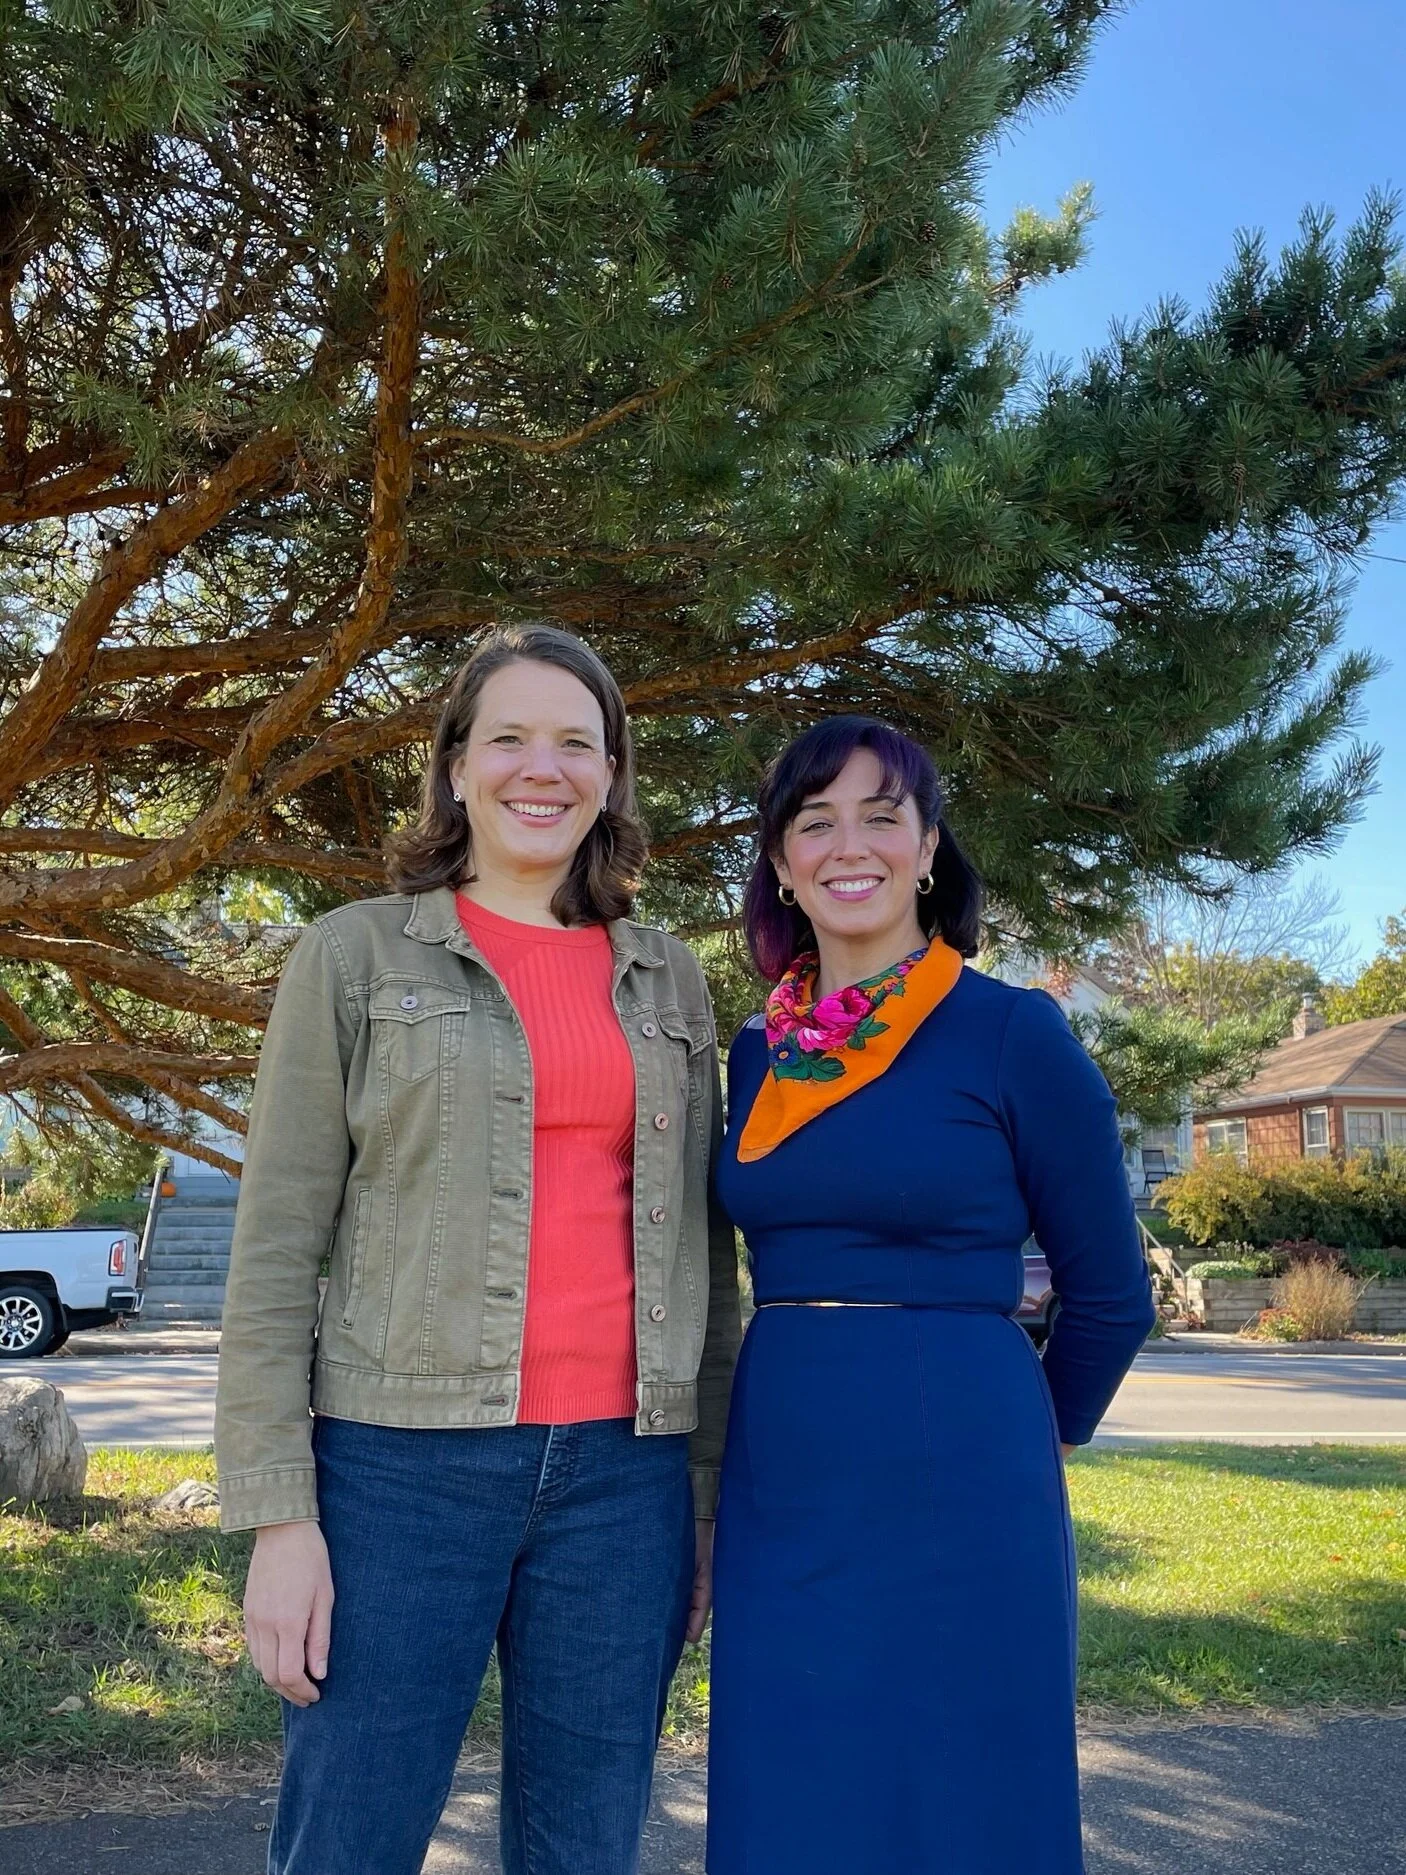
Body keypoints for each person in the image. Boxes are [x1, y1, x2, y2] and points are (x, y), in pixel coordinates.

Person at [214, 623, 741, 1875]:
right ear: (454, 766)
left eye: (575, 741)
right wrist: (279, 1520)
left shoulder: (668, 979)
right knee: (349, 1836)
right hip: (398, 1476)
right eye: (506, 736)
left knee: (585, 1845)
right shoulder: (354, 954)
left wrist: (707, 1499)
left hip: (626, 1482)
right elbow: (277, 1245)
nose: (539, 767)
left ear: (611, 775)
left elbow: (703, 1268)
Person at [706, 716, 1155, 1875]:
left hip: (966, 1463)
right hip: (786, 1465)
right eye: (814, 821)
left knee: (967, 1774)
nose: (846, 844)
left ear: (927, 849)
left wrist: (1034, 1432)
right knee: (788, 1764)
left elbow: (1109, 1293)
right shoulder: (757, 1055)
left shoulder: (1011, 1034)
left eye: (879, 816)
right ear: (780, 863)